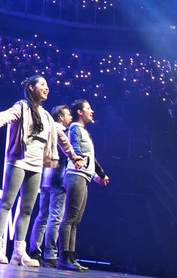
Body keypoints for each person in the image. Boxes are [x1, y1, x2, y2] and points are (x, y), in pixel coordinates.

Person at [0, 76, 83, 267]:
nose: (46, 88)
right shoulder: (22, 107)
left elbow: (62, 139)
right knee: (7, 203)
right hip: (19, 160)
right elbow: (4, 116)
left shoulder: (46, 117)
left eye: (47, 85)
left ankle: (19, 251)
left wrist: (74, 156)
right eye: (42, 84)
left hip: (37, 165)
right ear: (31, 88)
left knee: (27, 209)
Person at [58, 98, 109, 272]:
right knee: (70, 218)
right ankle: (63, 257)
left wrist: (100, 175)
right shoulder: (74, 128)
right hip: (76, 175)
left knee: (76, 220)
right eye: (88, 108)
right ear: (79, 112)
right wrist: (78, 157)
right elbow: (75, 147)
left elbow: (91, 158)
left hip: (84, 176)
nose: (92, 111)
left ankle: (71, 256)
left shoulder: (84, 131)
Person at [30, 104, 75, 267]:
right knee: (55, 217)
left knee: (42, 216)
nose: (70, 117)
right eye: (68, 114)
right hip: (58, 178)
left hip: (45, 177)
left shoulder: (46, 127)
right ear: (60, 117)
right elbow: (67, 152)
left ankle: (34, 249)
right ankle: (50, 253)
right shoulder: (62, 131)